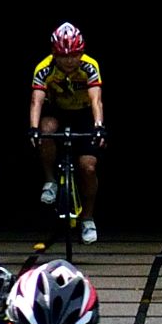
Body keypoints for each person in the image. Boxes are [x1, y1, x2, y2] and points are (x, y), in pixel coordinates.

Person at [28, 21, 106, 248]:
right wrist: (33, 128)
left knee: (88, 166)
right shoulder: (44, 68)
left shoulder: (90, 66)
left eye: (74, 55)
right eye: (63, 56)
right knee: (47, 130)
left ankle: (88, 218)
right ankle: (50, 180)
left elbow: (96, 99)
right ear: (54, 54)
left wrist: (99, 125)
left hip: (83, 113)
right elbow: (36, 101)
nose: (69, 61)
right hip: (58, 111)